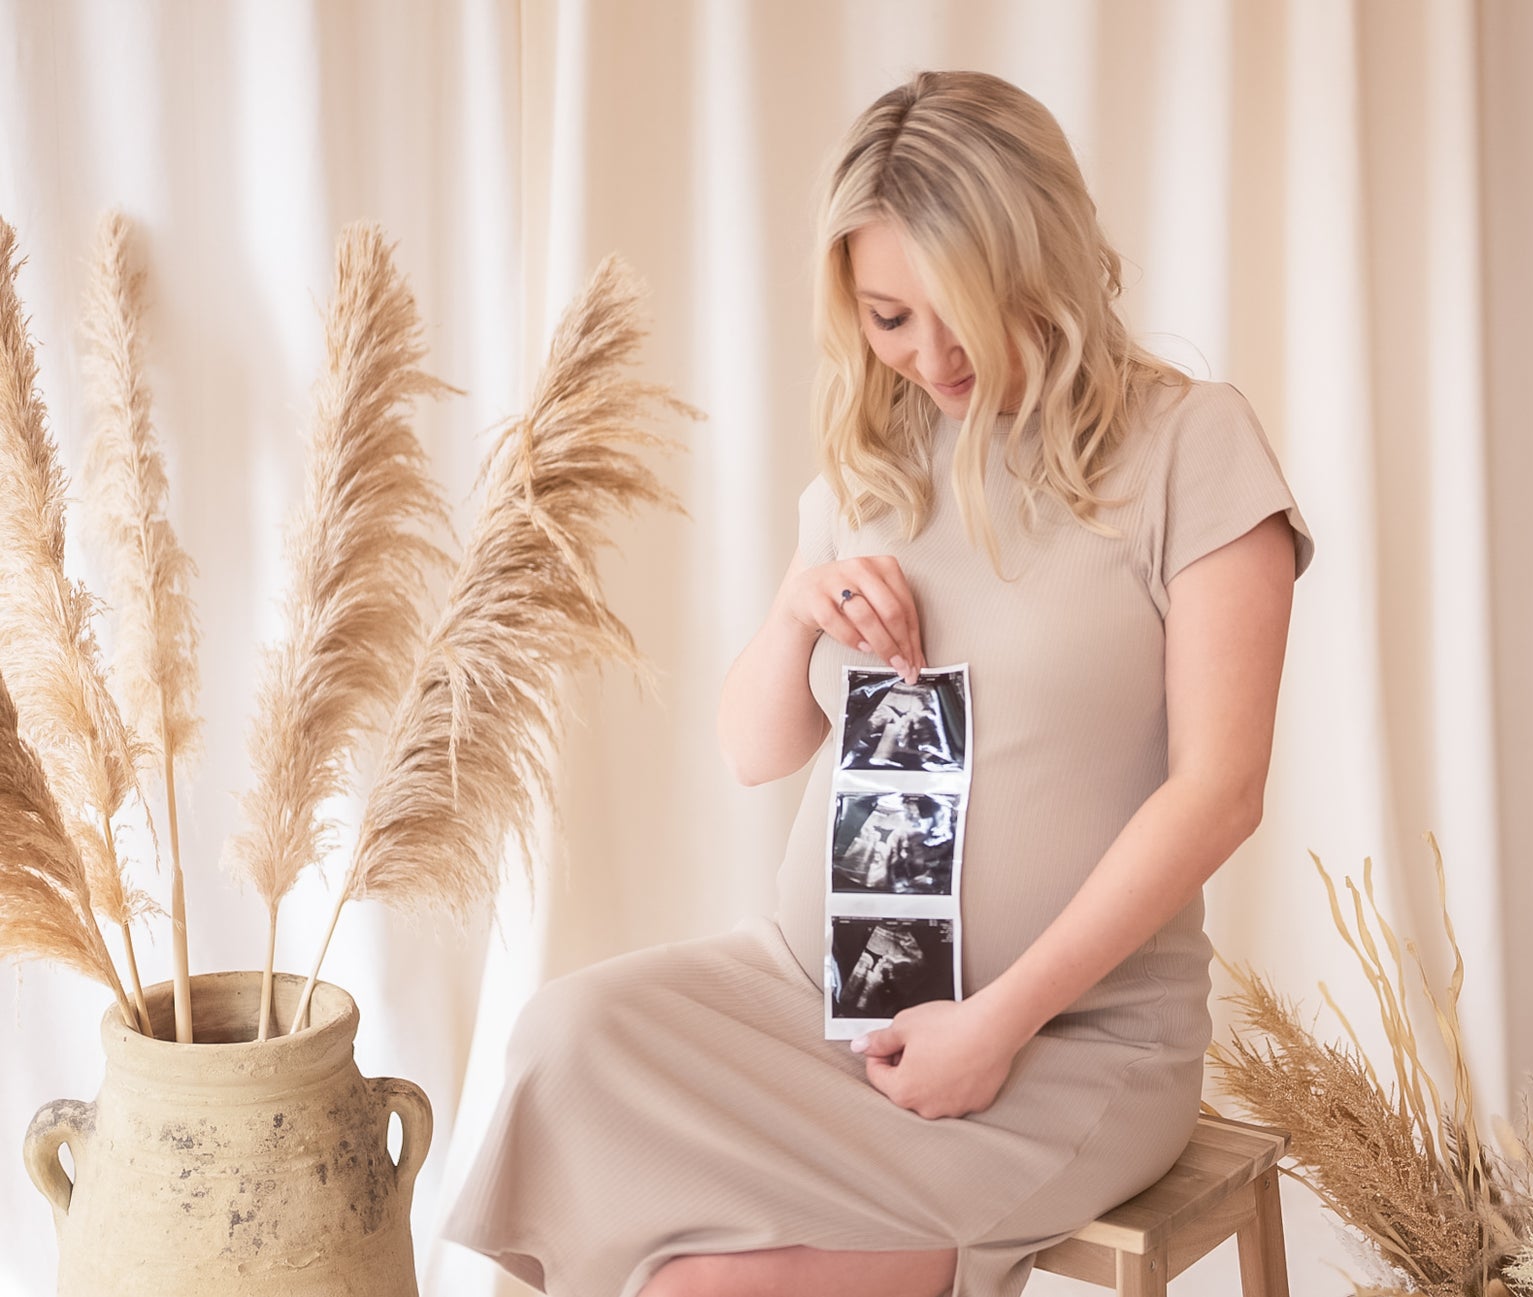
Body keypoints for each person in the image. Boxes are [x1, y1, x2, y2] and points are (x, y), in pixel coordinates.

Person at [443, 69, 1313, 1297]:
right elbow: (753, 749)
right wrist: (797, 613)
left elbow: (1219, 791)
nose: (929, 354)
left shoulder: (1189, 447)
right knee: (564, 1038)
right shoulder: (874, 465)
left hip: (1059, 1044)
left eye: (960, 308)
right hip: (813, 998)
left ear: (1044, 264)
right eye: (889, 317)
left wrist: (993, 1023)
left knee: (682, 1288)